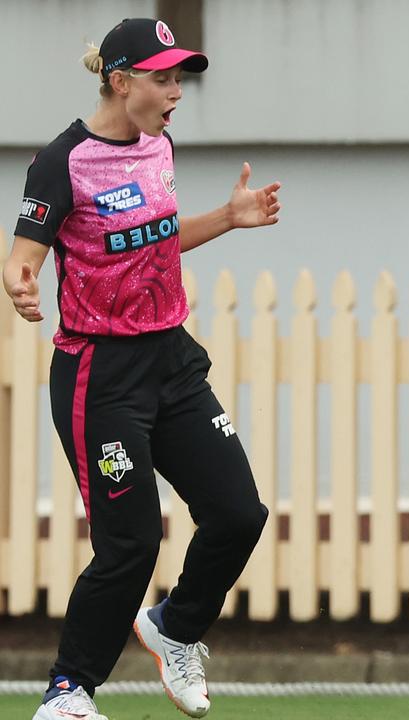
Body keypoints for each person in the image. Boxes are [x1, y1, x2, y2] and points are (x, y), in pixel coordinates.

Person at [6, 17, 281, 720]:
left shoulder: (157, 145)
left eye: (179, 77)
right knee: (130, 544)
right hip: (101, 375)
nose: (176, 91)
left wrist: (228, 216)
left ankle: (175, 627)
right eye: (163, 78)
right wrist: (20, 282)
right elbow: (25, 254)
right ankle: (68, 692)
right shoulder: (60, 162)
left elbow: (156, 240)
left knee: (238, 514)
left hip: (172, 361)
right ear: (120, 81)